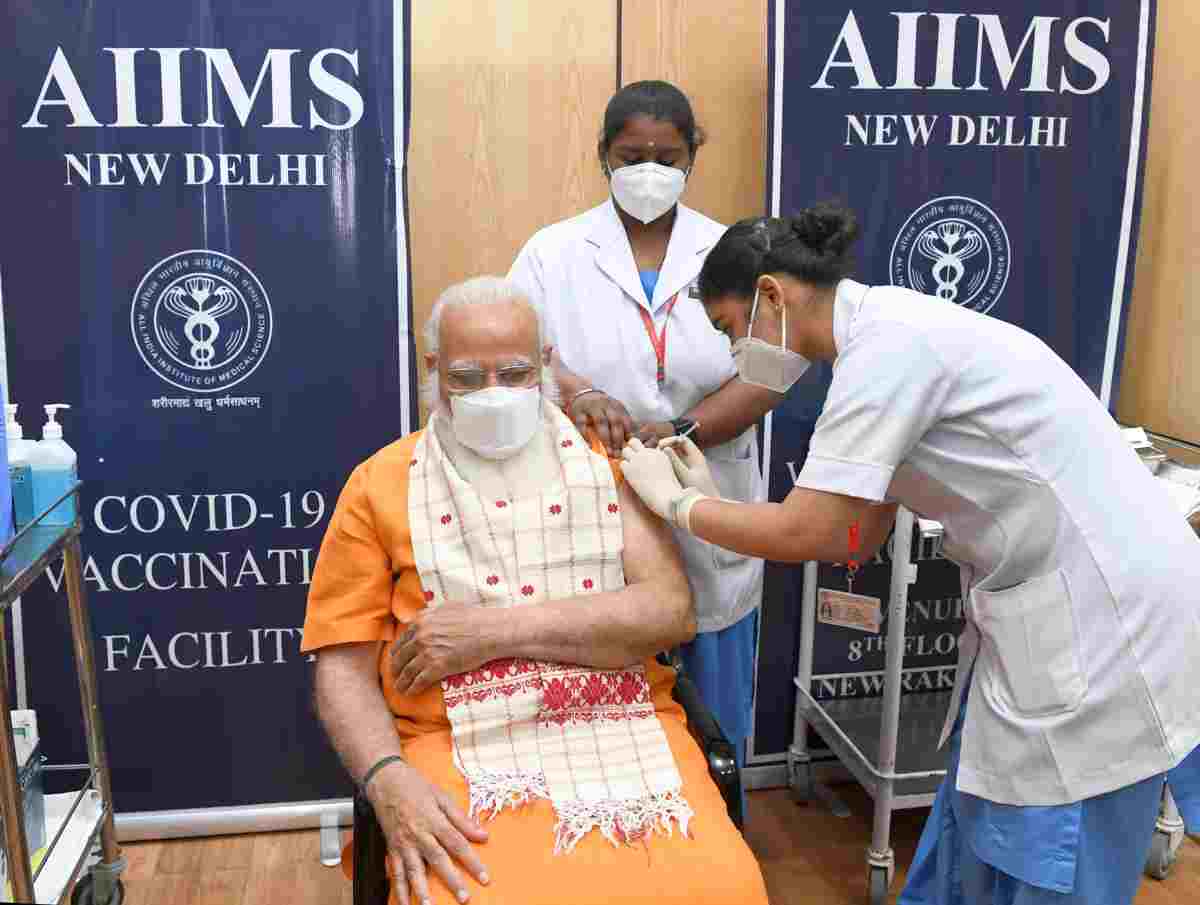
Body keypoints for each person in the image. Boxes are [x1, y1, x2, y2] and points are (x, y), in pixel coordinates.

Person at [618, 205, 1200, 904]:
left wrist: (683, 506)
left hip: (1106, 620)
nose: (734, 354)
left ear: (771, 295)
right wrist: (713, 496)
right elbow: (860, 533)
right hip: (1045, 606)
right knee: (979, 817)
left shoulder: (889, 350)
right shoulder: (880, 339)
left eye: (727, 329)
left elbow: (820, 534)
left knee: (1050, 850)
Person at [302, 277, 768, 905]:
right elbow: (343, 666)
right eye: (467, 378)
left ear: (547, 365)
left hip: (622, 716)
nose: (493, 395)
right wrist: (387, 780)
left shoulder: (606, 462)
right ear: (433, 370)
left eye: (516, 373)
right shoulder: (379, 484)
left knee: (722, 890)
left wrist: (491, 632)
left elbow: (669, 611)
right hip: (455, 741)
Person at [506, 81, 780, 771]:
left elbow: (771, 372)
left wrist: (682, 429)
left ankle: (720, 855)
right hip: (596, 499)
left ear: (693, 157)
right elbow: (520, 352)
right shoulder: (553, 253)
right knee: (605, 707)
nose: (649, 170)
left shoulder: (734, 251)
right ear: (603, 155)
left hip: (709, 492)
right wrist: (582, 391)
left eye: (668, 154)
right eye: (632, 155)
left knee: (711, 726)